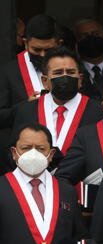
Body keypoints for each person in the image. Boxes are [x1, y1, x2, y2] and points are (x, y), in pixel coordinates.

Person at [11, 47, 103, 169]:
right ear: (45, 81)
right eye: (58, 73)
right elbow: (13, 153)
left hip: (81, 184)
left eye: (70, 72)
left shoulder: (98, 111)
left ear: (80, 80)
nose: (65, 77)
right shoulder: (26, 111)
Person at [0, 14, 61, 173]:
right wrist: (26, 107)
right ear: (25, 42)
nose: (42, 55)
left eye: (48, 50)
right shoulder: (8, 72)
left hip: (62, 153)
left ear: (58, 44)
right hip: (21, 158)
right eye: (36, 49)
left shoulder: (70, 69)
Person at [74, 19, 103, 99]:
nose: (91, 38)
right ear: (76, 42)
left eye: (95, 34)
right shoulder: (74, 71)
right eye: (84, 36)